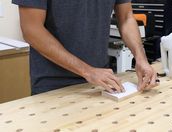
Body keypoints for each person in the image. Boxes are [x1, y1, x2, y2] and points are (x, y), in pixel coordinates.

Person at [12, 0, 158, 95]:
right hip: (54, 85)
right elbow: (31, 30)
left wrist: (140, 58)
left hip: (102, 83)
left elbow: (126, 17)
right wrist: (87, 71)